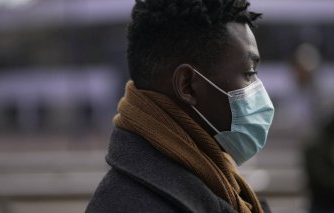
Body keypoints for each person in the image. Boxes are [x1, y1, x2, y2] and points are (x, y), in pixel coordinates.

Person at [86, 0, 274, 212]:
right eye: (249, 73)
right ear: (187, 86)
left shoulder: (219, 181)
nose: (259, 89)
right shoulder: (129, 205)